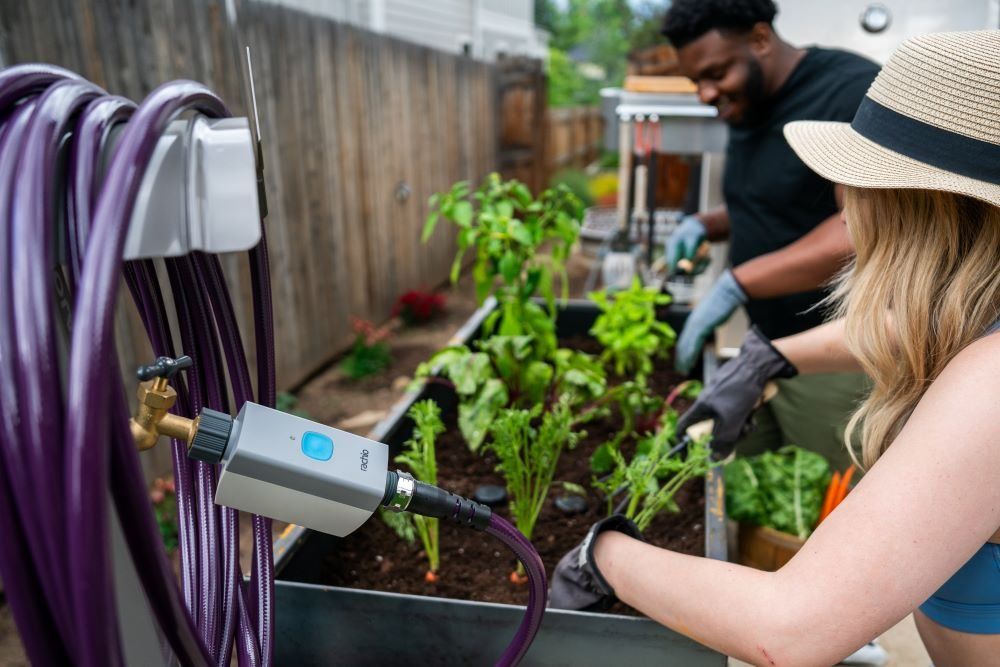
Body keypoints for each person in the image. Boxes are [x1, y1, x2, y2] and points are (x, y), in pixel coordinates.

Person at [551, 30, 1000, 666]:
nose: (843, 198)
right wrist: (772, 356)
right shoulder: (984, 314)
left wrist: (605, 555)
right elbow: (915, 326)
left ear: (925, 208)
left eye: (856, 180)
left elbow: (790, 631)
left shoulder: (991, 386)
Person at [660, 0, 880, 469]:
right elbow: (772, 199)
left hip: (835, 359)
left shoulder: (848, 92)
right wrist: (705, 224)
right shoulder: (749, 101)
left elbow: (858, 228)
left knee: (829, 501)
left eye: (716, 73)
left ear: (760, 39)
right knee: (736, 486)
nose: (704, 93)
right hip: (763, 346)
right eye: (696, 81)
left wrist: (739, 282)